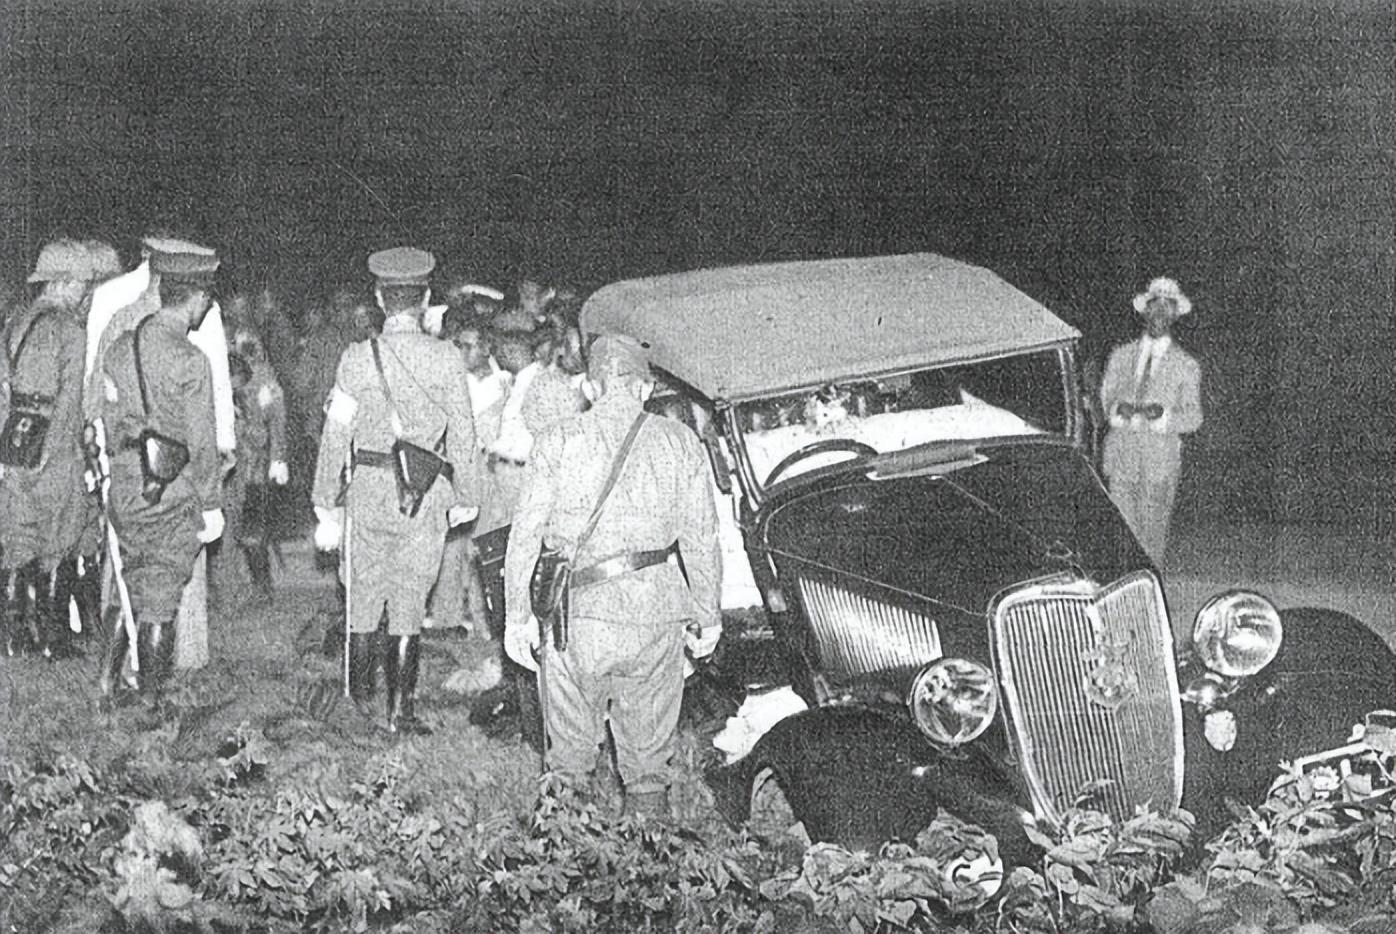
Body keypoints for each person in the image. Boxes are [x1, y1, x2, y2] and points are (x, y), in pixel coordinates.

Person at [503, 333, 722, 817]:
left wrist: (517, 617)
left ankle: (563, 851)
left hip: (576, 619)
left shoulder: (557, 441)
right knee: (649, 764)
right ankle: (647, 853)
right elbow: (702, 538)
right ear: (646, 388)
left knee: (567, 760)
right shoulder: (680, 442)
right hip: (655, 613)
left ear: (590, 387)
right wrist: (708, 615)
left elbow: (525, 537)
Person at [311, 247, 480, 735]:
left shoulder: (356, 358)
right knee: (410, 601)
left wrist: (325, 498)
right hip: (423, 493)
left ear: (381, 299)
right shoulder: (446, 358)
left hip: (367, 489)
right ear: (424, 300)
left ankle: (359, 705)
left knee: (362, 600)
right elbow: (463, 434)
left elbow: (335, 433)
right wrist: (467, 494)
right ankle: (400, 711)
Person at [95, 239, 225, 712]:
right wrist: (212, 504)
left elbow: (106, 417)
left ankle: (108, 683)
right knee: (162, 594)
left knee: (128, 582)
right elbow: (203, 443)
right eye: (207, 298)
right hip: (172, 489)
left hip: (126, 483)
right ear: (196, 298)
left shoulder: (119, 349)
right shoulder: (191, 360)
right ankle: (150, 700)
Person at [1, 240, 97, 658]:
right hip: (54, 442)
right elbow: (70, 401)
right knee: (61, 536)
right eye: (81, 283)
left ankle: (13, 638)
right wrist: (66, 454)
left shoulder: (16, 322)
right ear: (61, 282)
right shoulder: (70, 330)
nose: (84, 291)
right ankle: (53, 639)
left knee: (18, 538)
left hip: (14, 440)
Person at [1099, 276, 1203, 564]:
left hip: (1159, 463)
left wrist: (1164, 416)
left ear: (1175, 315)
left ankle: (1149, 588)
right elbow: (1105, 400)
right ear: (1145, 311)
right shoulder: (1120, 355)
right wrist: (1117, 410)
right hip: (1121, 459)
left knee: (1150, 542)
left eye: (1167, 307)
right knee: (1122, 539)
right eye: (1155, 305)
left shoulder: (1186, 365)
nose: (1159, 313)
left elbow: (1194, 417)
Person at [225, 327, 288, 597]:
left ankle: (260, 585)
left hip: (252, 464)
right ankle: (242, 584)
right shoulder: (228, 373)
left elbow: (276, 420)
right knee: (236, 525)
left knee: (252, 527)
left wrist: (278, 458)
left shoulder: (262, 379)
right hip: (235, 462)